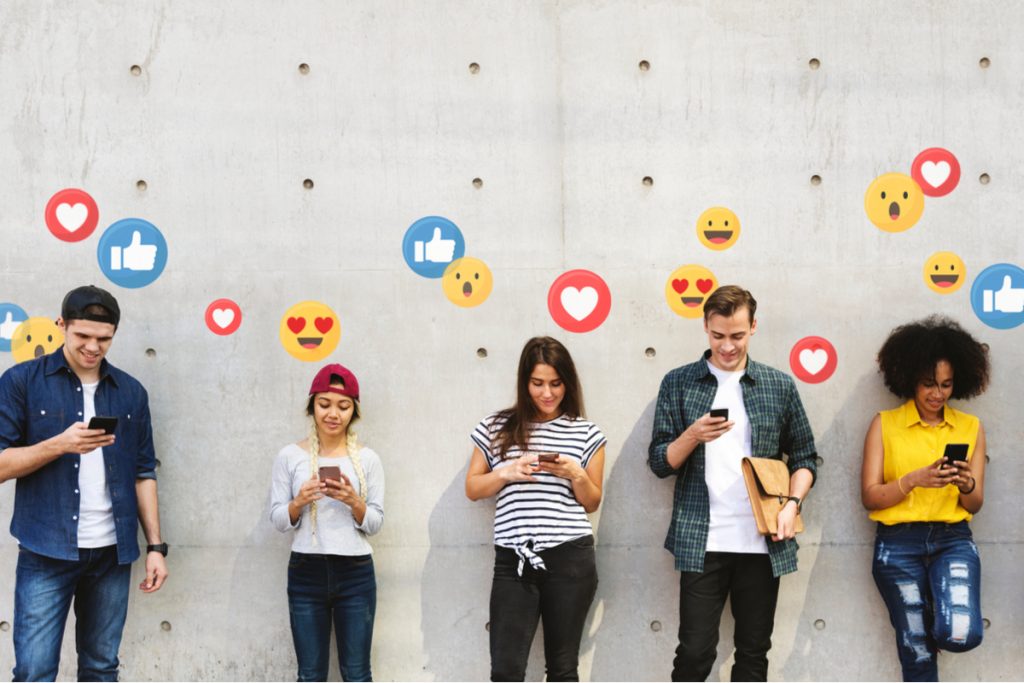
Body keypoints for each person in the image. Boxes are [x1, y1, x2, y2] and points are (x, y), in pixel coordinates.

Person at [648, 285, 818, 682]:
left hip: (763, 540)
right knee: (694, 653)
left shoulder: (778, 385)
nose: (727, 346)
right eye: (718, 335)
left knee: (753, 655)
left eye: (737, 336)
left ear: (753, 327)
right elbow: (659, 463)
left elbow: (806, 457)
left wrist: (792, 505)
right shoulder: (679, 383)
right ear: (706, 327)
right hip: (702, 541)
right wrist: (692, 436)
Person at [0, 285, 168, 682]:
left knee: (100, 668)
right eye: (83, 337)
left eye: (104, 339)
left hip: (112, 554)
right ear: (62, 326)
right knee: (35, 671)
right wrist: (60, 444)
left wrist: (157, 547)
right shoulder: (21, 381)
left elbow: (144, 472)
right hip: (46, 551)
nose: (93, 347)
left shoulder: (130, 392)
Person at [465, 336, 606, 682]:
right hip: (514, 558)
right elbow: (472, 488)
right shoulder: (497, 427)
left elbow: (592, 501)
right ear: (524, 382)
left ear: (567, 383)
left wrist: (575, 473)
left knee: (562, 669)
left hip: (570, 558)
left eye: (556, 384)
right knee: (506, 670)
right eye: (538, 383)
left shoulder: (586, 433)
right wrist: (506, 473)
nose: (547, 393)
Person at [861, 316, 989, 681]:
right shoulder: (884, 424)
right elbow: (870, 497)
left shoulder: (971, 428)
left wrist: (965, 484)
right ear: (909, 380)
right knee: (916, 653)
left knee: (960, 633)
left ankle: (928, 613)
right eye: (929, 384)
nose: (938, 393)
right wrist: (915, 479)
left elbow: (976, 503)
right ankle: (917, 620)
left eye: (946, 385)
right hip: (897, 546)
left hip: (953, 541)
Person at [270, 363, 385, 682]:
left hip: (356, 572)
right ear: (312, 406)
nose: (333, 413)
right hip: (306, 571)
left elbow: (375, 523)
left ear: (354, 411)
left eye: (343, 406)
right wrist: (299, 502)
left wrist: (353, 500)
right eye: (324, 404)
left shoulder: (368, 459)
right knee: (309, 675)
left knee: (358, 673)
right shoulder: (290, 456)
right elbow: (278, 520)